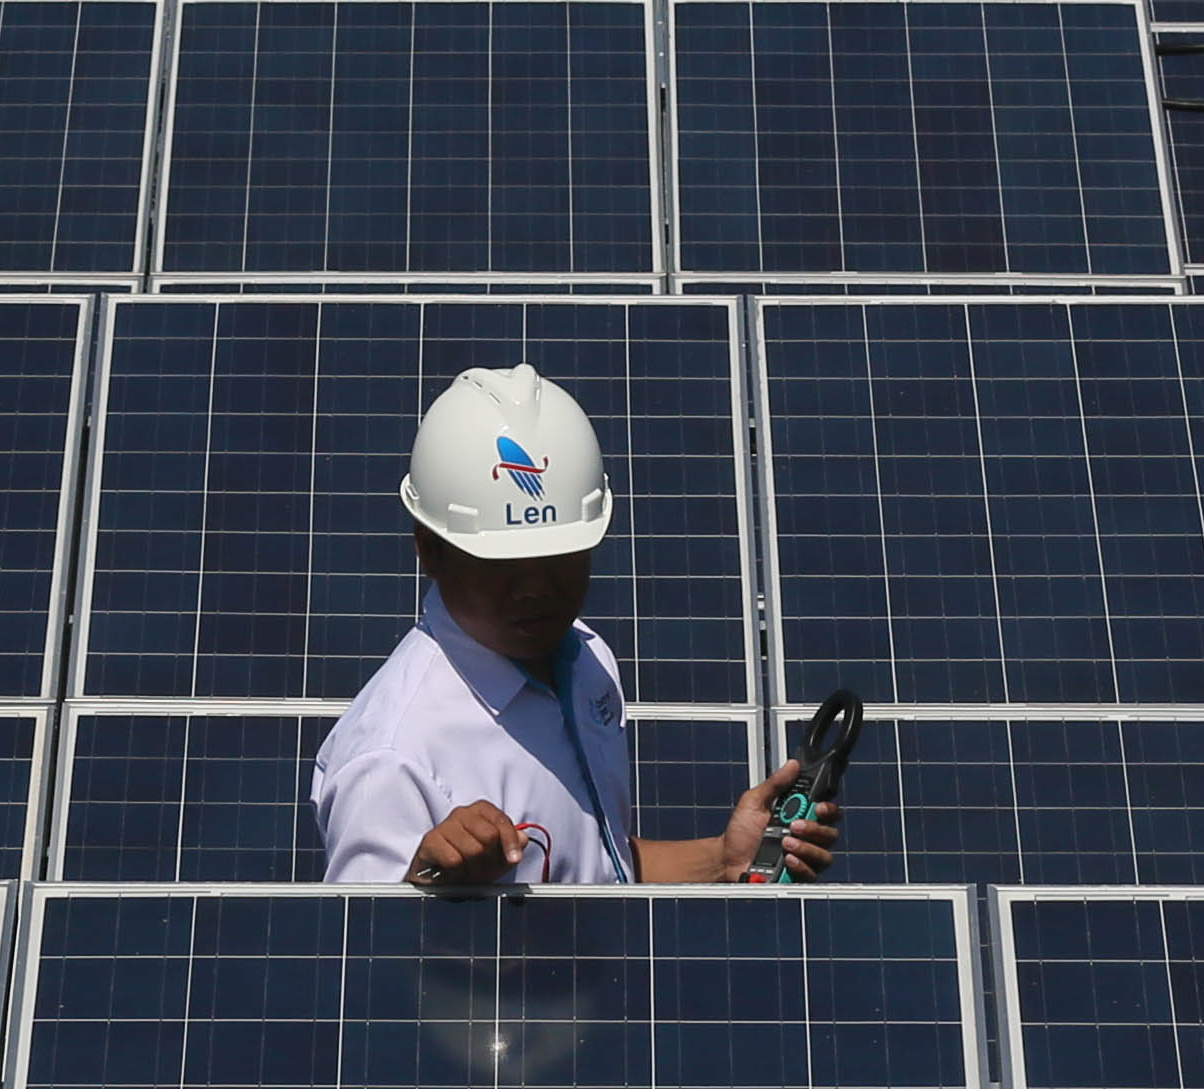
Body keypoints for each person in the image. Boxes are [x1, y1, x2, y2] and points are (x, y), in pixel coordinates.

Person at [314, 366, 844, 890]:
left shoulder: (587, 660)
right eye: (503, 563)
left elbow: (596, 872)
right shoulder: (389, 759)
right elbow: (362, 964)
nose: (536, 589)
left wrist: (723, 859)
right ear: (431, 549)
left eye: (559, 557)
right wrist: (421, 883)